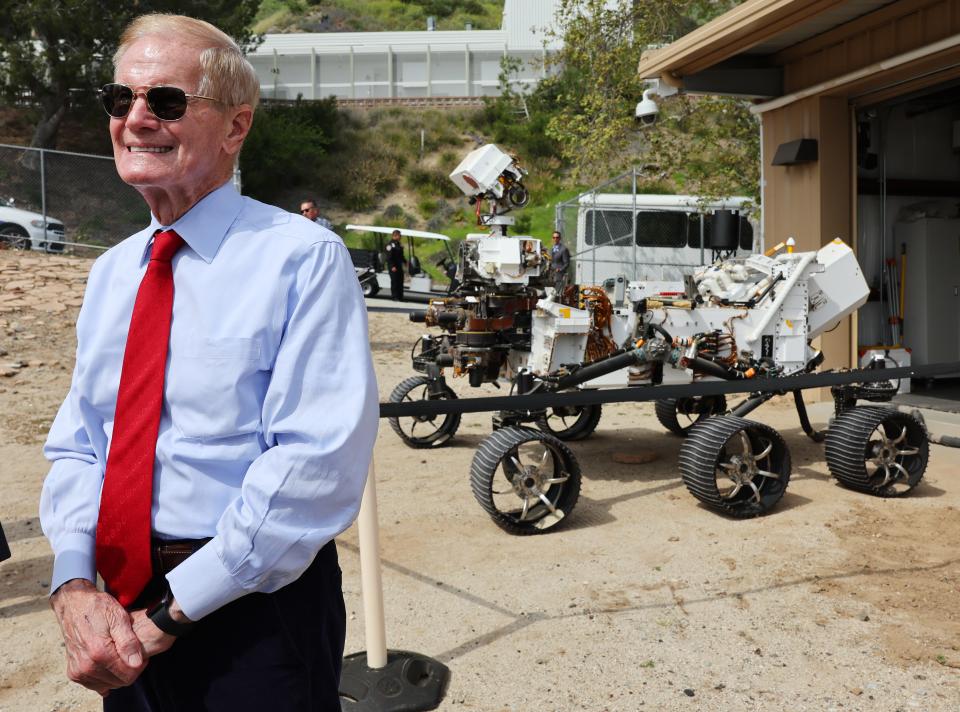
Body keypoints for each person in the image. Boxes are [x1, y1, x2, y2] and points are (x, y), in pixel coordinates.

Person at [39, 14, 378, 711]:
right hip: (118, 608)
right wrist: (75, 584)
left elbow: (310, 467)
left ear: (234, 127)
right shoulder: (112, 272)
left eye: (165, 101)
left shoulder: (301, 259)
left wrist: (169, 616)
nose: (136, 119)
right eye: (119, 99)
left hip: (251, 616)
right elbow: (81, 443)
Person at [385, 228, 407, 301]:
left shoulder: (398, 244)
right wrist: (392, 266)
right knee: (394, 281)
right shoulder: (390, 245)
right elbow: (389, 257)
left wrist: (405, 262)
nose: (400, 237)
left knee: (400, 281)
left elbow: (401, 255)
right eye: (399, 235)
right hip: (393, 267)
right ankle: (394, 297)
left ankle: (400, 297)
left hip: (399, 265)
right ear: (395, 235)